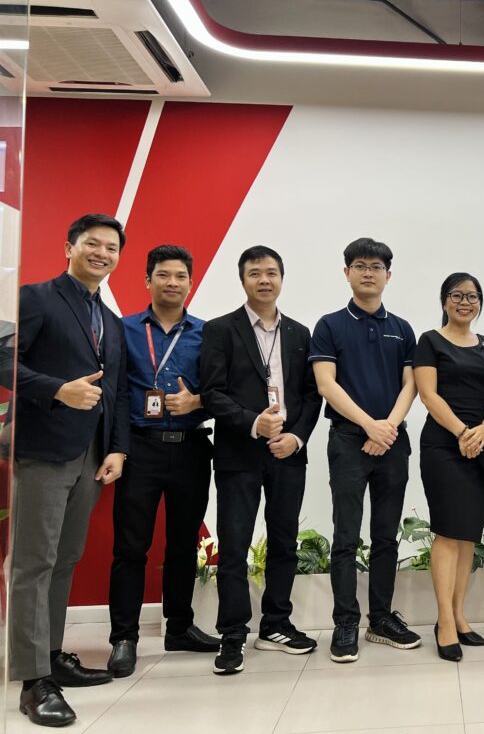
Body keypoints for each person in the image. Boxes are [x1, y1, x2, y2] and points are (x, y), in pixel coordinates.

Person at [0, 214, 130, 726]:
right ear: (68, 247)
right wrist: (56, 389)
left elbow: (116, 391)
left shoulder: (111, 321)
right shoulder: (34, 298)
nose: (102, 253)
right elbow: (1, 359)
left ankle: (52, 655)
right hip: (44, 450)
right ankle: (33, 681)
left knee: (64, 559)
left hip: (92, 455)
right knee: (33, 563)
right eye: (92, 244)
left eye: (111, 247)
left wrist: (117, 449)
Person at [200, 245, 321, 675]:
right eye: (255, 273)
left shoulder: (300, 333)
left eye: (271, 272)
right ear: (243, 280)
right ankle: (232, 634)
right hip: (239, 452)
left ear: (282, 279)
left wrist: (297, 437)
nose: (264, 280)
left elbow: (311, 395)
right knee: (234, 546)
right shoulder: (220, 330)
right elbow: (212, 393)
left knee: (284, 542)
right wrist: (254, 423)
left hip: (287, 453)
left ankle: (276, 624)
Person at [107, 245, 219, 679]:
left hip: (191, 448)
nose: (172, 282)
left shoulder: (208, 333)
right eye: (163, 275)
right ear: (147, 280)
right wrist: (118, 448)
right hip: (140, 448)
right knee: (130, 547)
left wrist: (199, 401)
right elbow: (115, 394)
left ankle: (180, 627)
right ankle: (124, 638)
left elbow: (224, 391)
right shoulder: (123, 330)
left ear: (190, 283)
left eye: (180, 276)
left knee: (182, 544)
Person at [309, 238, 421, 663]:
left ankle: (381, 618)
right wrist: (369, 425)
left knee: (386, 536)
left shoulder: (403, 329)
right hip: (348, 442)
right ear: (347, 273)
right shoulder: (330, 325)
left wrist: (387, 427)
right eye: (360, 265)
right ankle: (345, 621)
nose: (368, 272)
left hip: (392, 441)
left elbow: (411, 384)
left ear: (388, 275)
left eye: (376, 266)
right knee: (346, 535)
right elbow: (326, 384)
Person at [413, 273, 484, 662]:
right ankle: (444, 622)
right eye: (457, 295)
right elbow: (428, 395)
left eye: (472, 296)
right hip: (443, 446)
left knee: (468, 535)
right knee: (448, 533)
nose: (465, 302)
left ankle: (460, 614)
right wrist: (463, 432)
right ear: (444, 300)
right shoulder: (430, 341)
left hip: (480, 444)